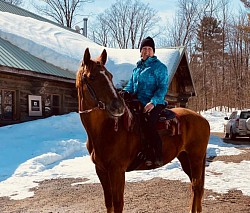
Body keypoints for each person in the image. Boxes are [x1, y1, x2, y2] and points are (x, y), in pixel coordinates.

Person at [123, 36, 169, 167]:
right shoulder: (137, 68)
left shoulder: (160, 67)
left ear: (153, 51)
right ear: (140, 51)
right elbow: (131, 85)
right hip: (137, 101)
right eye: (144, 48)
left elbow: (162, 87)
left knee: (148, 123)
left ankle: (156, 154)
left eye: (149, 49)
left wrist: (153, 102)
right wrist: (125, 92)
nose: (146, 51)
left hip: (155, 102)